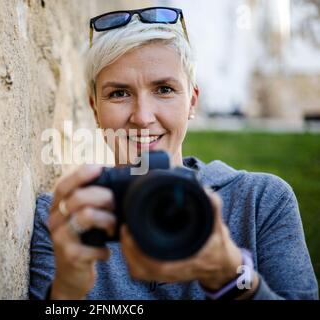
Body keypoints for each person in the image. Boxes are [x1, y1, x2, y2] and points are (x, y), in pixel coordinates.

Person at [29, 7, 318, 300]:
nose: (142, 117)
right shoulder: (67, 217)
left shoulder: (260, 201)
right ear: (95, 110)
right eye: (119, 93)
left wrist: (232, 279)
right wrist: (67, 292)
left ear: (191, 102)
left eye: (164, 89)